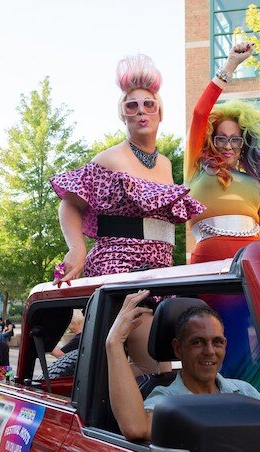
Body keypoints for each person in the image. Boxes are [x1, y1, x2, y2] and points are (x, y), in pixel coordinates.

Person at [50, 54, 204, 375]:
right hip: (121, 267)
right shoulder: (110, 158)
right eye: (131, 106)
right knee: (156, 366)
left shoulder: (164, 164)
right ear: (122, 115)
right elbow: (70, 202)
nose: (140, 112)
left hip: (160, 271)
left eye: (148, 104)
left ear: (160, 111)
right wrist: (77, 249)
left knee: (160, 365)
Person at [107, 290, 260, 442]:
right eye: (197, 342)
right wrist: (114, 342)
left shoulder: (244, 391)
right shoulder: (167, 400)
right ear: (178, 348)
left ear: (225, 345)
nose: (210, 351)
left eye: (217, 342)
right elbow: (136, 428)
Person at [185, 43, 260, 263]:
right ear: (211, 139)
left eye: (235, 140)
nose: (228, 146)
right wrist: (231, 64)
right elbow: (200, 112)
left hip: (251, 271)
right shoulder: (196, 168)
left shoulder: (256, 185)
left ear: (244, 144)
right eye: (221, 138)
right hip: (206, 271)